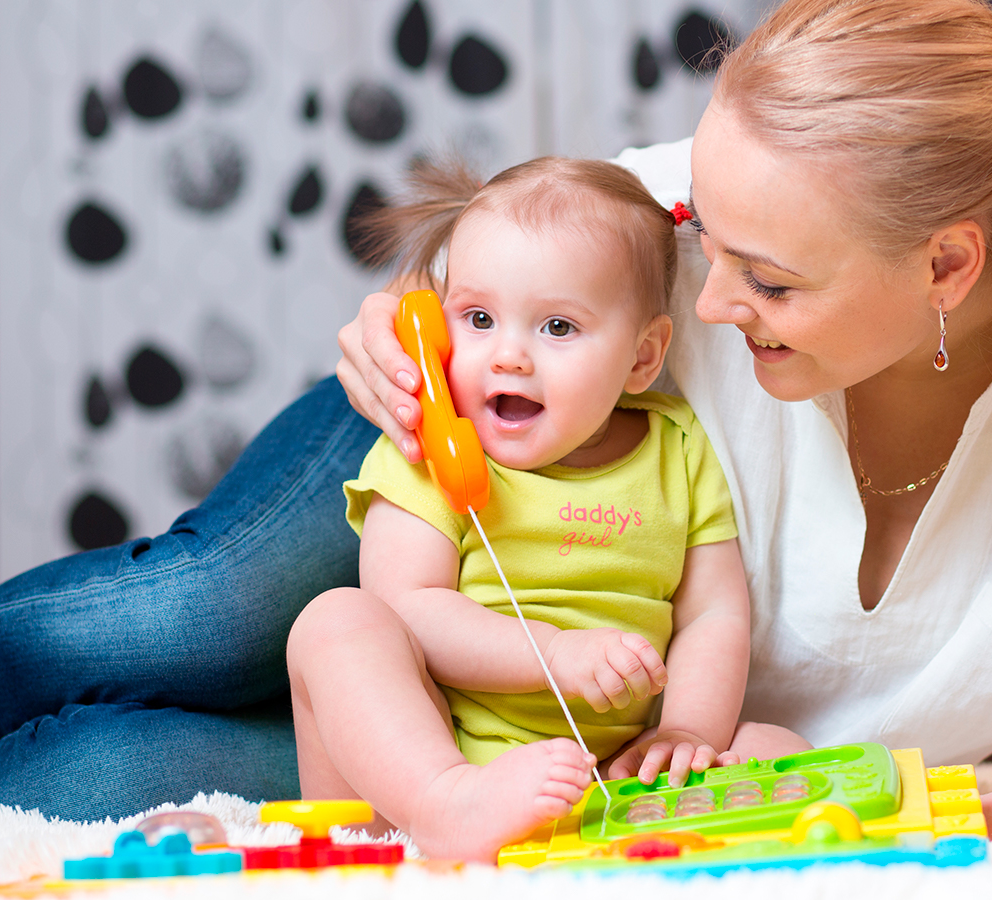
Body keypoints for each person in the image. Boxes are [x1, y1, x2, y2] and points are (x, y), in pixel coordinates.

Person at [0, 0, 992, 823]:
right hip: (473, 449)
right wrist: (420, 314)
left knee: (113, 769)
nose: (708, 298)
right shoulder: (687, 228)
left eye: (766, 278)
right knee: (205, 616)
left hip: (567, 759)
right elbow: (522, 254)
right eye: (701, 236)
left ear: (948, 265)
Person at [287, 156, 754, 859]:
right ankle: (445, 803)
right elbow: (408, 606)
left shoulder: (677, 450)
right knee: (335, 623)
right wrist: (555, 656)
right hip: (427, 760)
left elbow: (715, 613)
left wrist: (686, 731)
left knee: (771, 744)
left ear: (642, 356)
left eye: (558, 328)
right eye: (477, 318)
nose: (508, 355)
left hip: (610, 774)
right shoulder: (430, 450)